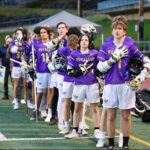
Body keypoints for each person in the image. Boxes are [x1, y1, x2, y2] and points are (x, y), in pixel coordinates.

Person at [96, 16, 150, 150]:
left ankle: (125, 144)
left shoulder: (130, 44)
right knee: (110, 115)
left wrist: (143, 74)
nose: (117, 31)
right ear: (112, 31)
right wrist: (112, 59)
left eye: (120, 29)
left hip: (126, 84)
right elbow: (99, 67)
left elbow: (146, 60)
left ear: (124, 31)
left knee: (126, 115)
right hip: (109, 84)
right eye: (115, 28)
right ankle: (111, 144)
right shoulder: (106, 45)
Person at [65, 34, 100, 139]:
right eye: (82, 40)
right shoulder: (74, 54)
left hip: (92, 84)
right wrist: (79, 71)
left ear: (89, 42)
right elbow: (69, 72)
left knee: (94, 108)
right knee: (77, 108)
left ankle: (97, 130)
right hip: (79, 84)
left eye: (86, 40)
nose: (84, 42)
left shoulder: (94, 54)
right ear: (79, 42)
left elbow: (101, 67)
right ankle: (75, 130)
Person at [0, 35, 13, 99]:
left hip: (12, 67)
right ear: (5, 40)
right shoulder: (1, 48)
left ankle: (15, 96)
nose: (9, 42)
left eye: (10, 41)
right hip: (4, 67)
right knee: (5, 82)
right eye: (8, 40)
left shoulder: (12, 47)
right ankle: (6, 95)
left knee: (13, 81)